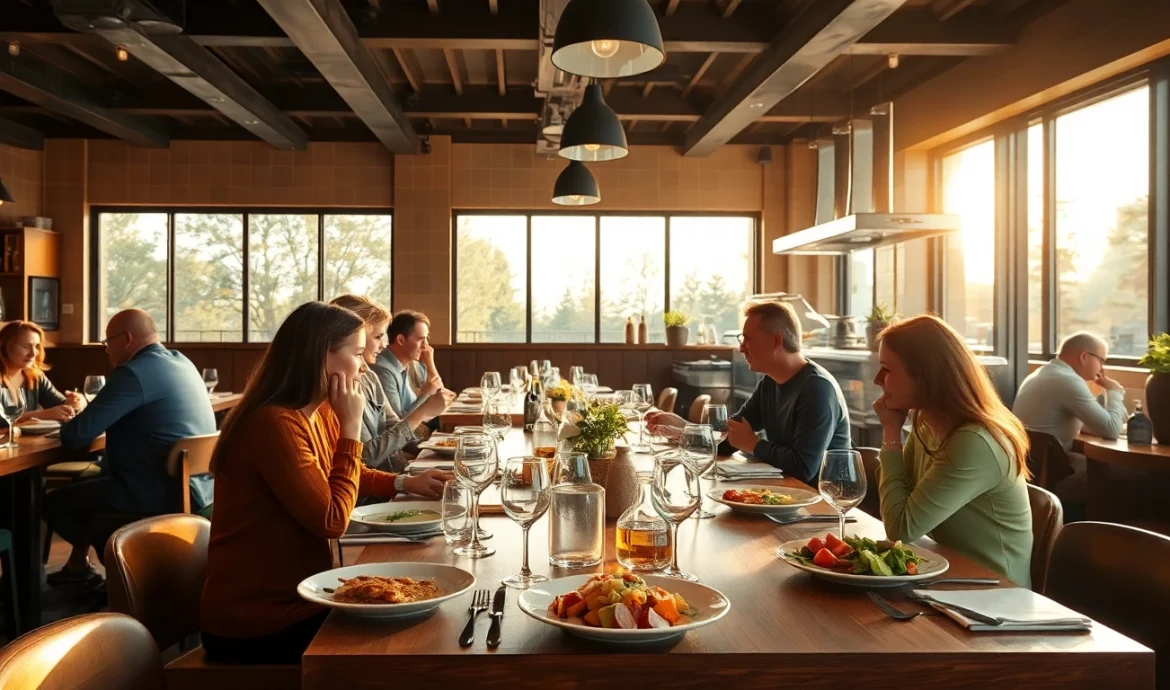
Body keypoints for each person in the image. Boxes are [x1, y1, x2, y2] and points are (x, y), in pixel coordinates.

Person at [200, 302, 449, 664]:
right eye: (358, 354)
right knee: (412, 641)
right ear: (322, 357)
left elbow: (342, 472)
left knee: (422, 615)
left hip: (306, 594)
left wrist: (402, 483)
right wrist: (352, 427)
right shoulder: (274, 424)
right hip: (257, 621)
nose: (366, 366)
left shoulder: (316, 411)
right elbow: (331, 520)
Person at [45, 309, 216, 586]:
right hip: (199, 490)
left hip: (153, 493)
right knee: (96, 481)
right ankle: (80, 568)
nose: (105, 349)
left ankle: (124, 566)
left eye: (106, 342)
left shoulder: (133, 372)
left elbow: (75, 436)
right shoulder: (182, 362)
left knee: (54, 503)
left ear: (126, 339)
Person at [873, 314, 1033, 586]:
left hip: (995, 597)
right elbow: (899, 504)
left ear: (925, 375)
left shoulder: (975, 441)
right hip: (946, 579)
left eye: (887, 369)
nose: (878, 380)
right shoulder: (925, 425)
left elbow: (900, 527)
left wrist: (890, 433)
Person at [651, 300, 851, 484]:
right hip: (788, 495)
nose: (741, 348)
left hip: (826, 507)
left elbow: (804, 467)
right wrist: (682, 429)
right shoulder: (770, 382)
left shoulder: (817, 388)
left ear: (775, 342)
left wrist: (753, 444)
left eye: (747, 339)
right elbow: (729, 440)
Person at [329, 294, 454, 471]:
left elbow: (396, 428)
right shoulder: (340, 387)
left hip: (397, 475)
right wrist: (423, 411)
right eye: (378, 336)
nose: (383, 345)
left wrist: (440, 448)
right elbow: (367, 457)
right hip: (380, 490)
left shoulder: (370, 377)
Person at [0, 321, 83, 430]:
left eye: (37, 346)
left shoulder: (35, 376)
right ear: (5, 346)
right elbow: (3, 422)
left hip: (28, 443)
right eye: (26, 346)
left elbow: (61, 407)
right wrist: (41, 415)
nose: (34, 353)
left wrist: (77, 402)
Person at [372, 310, 443, 422]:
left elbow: (442, 397)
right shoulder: (383, 369)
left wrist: (430, 363)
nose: (426, 346)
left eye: (426, 339)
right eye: (420, 339)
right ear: (401, 340)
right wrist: (426, 393)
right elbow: (397, 423)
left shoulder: (411, 363)